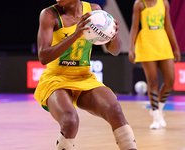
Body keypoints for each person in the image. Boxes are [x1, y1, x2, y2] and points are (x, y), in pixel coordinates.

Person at [34, 0, 138, 149]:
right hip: (55, 78)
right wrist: (75, 35)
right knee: (70, 120)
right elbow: (43, 56)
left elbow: (115, 50)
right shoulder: (49, 14)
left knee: (115, 109)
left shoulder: (94, 11)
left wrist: (112, 35)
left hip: (83, 78)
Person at [128, 0, 181, 129]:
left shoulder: (164, 3)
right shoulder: (139, 4)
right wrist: (131, 48)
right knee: (152, 81)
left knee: (170, 81)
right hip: (146, 43)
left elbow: (168, 26)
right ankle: (157, 118)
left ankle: (158, 109)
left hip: (162, 42)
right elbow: (135, 27)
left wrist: (176, 47)